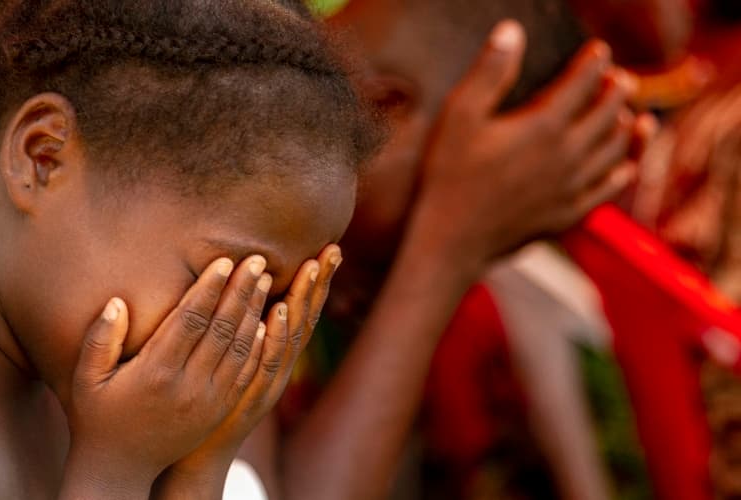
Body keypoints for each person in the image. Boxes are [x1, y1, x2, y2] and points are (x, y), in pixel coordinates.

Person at [0, 0, 384, 498]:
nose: (236, 340)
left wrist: (198, 470)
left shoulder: (91, 408)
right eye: (222, 282)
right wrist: (113, 472)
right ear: (42, 156)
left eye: (270, 304)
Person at [235, 0, 653, 498]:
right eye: (395, 251)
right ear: (385, 108)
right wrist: (444, 252)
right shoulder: (215, 212)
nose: (372, 287)